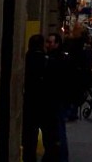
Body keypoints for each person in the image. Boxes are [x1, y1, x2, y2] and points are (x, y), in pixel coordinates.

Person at [22, 33, 72, 162]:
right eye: (47, 42)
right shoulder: (48, 60)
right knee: (52, 137)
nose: (48, 45)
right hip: (48, 104)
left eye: (50, 42)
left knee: (34, 138)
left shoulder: (27, 59)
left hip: (37, 103)